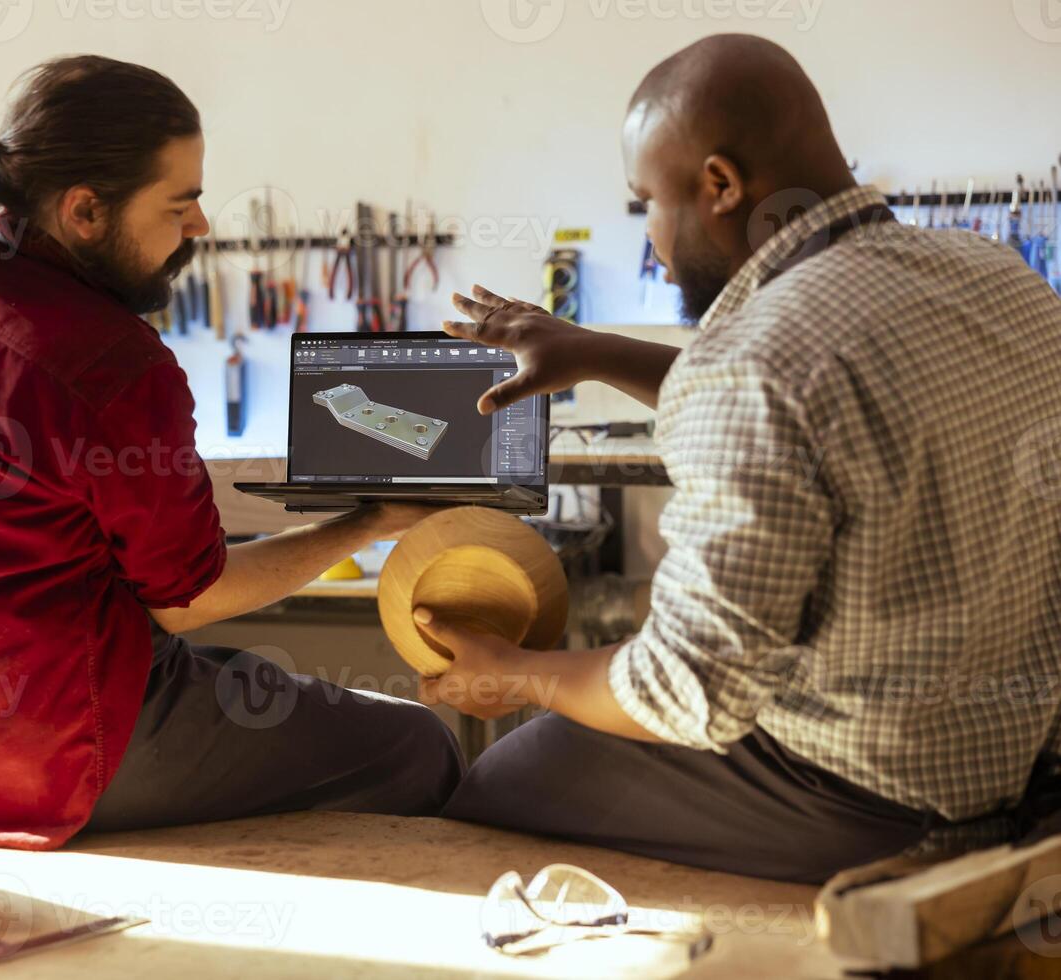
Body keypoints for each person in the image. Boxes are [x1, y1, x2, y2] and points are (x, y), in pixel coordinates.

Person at [420, 34, 1061, 883]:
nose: (653, 242)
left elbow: (688, 688)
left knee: (502, 782)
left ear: (720, 184)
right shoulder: (998, 277)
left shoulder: (758, 362)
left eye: (648, 203)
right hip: (1017, 769)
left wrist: (519, 674)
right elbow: (817, 415)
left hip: (866, 799)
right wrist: (594, 349)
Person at [0, 55, 462, 849]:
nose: (200, 227)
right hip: (48, 752)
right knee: (418, 745)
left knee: (253, 685)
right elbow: (191, 599)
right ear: (85, 210)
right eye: (180, 204)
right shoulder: (113, 366)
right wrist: (369, 523)